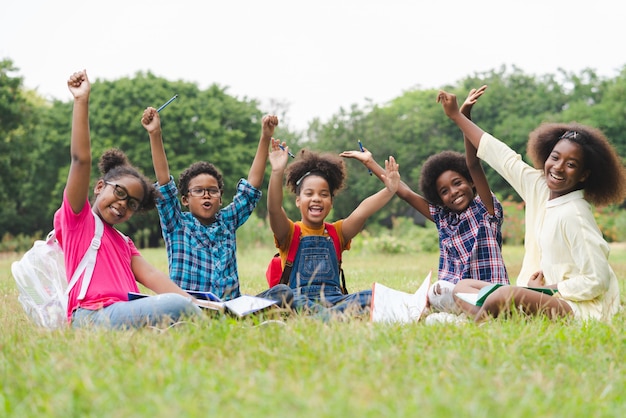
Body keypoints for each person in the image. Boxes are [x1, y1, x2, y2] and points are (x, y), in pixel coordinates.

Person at [438, 89, 626, 322]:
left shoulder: (575, 213)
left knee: (503, 295)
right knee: (462, 287)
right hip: (536, 294)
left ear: (584, 175)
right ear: (547, 156)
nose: (558, 167)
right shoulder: (539, 186)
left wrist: (548, 290)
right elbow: (500, 155)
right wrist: (458, 116)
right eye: (555, 157)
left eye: (571, 164)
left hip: (579, 308)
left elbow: (597, 279)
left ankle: (477, 323)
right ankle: (493, 318)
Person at [55, 70, 204, 330]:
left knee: (182, 308)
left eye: (132, 203)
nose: (123, 203)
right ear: (100, 186)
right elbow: (81, 160)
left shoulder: (124, 242)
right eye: (120, 193)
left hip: (122, 313)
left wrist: (196, 303)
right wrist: (81, 101)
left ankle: (205, 319)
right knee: (177, 307)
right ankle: (209, 325)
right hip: (91, 316)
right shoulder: (78, 220)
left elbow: (153, 276)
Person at [341, 86, 508, 315]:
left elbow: (473, 164)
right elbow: (404, 192)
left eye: (457, 183)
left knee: (440, 291)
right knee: (436, 297)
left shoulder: (485, 210)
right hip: (453, 298)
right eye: (444, 191)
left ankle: (478, 314)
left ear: (471, 183)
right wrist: (371, 162)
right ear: (438, 197)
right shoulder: (444, 218)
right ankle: (461, 317)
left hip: (488, 294)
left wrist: (462, 115)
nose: (453, 192)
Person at [142, 108, 294, 308]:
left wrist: (265, 137)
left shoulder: (227, 221)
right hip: (191, 306)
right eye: (198, 191)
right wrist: (155, 134)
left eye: (212, 191)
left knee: (283, 292)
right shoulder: (177, 224)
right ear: (185, 199)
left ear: (220, 198)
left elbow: (251, 188)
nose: (206, 194)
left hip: (230, 306)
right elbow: (164, 183)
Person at [267, 139, 400, 317]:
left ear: (331, 202)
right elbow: (274, 208)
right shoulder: (290, 232)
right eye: (309, 193)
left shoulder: (338, 232)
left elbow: (362, 211)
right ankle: (333, 316)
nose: (316, 198)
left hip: (335, 300)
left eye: (324, 194)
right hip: (299, 299)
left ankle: (324, 316)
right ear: (298, 201)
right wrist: (277, 171)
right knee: (282, 294)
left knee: (373, 295)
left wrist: (389, 190)